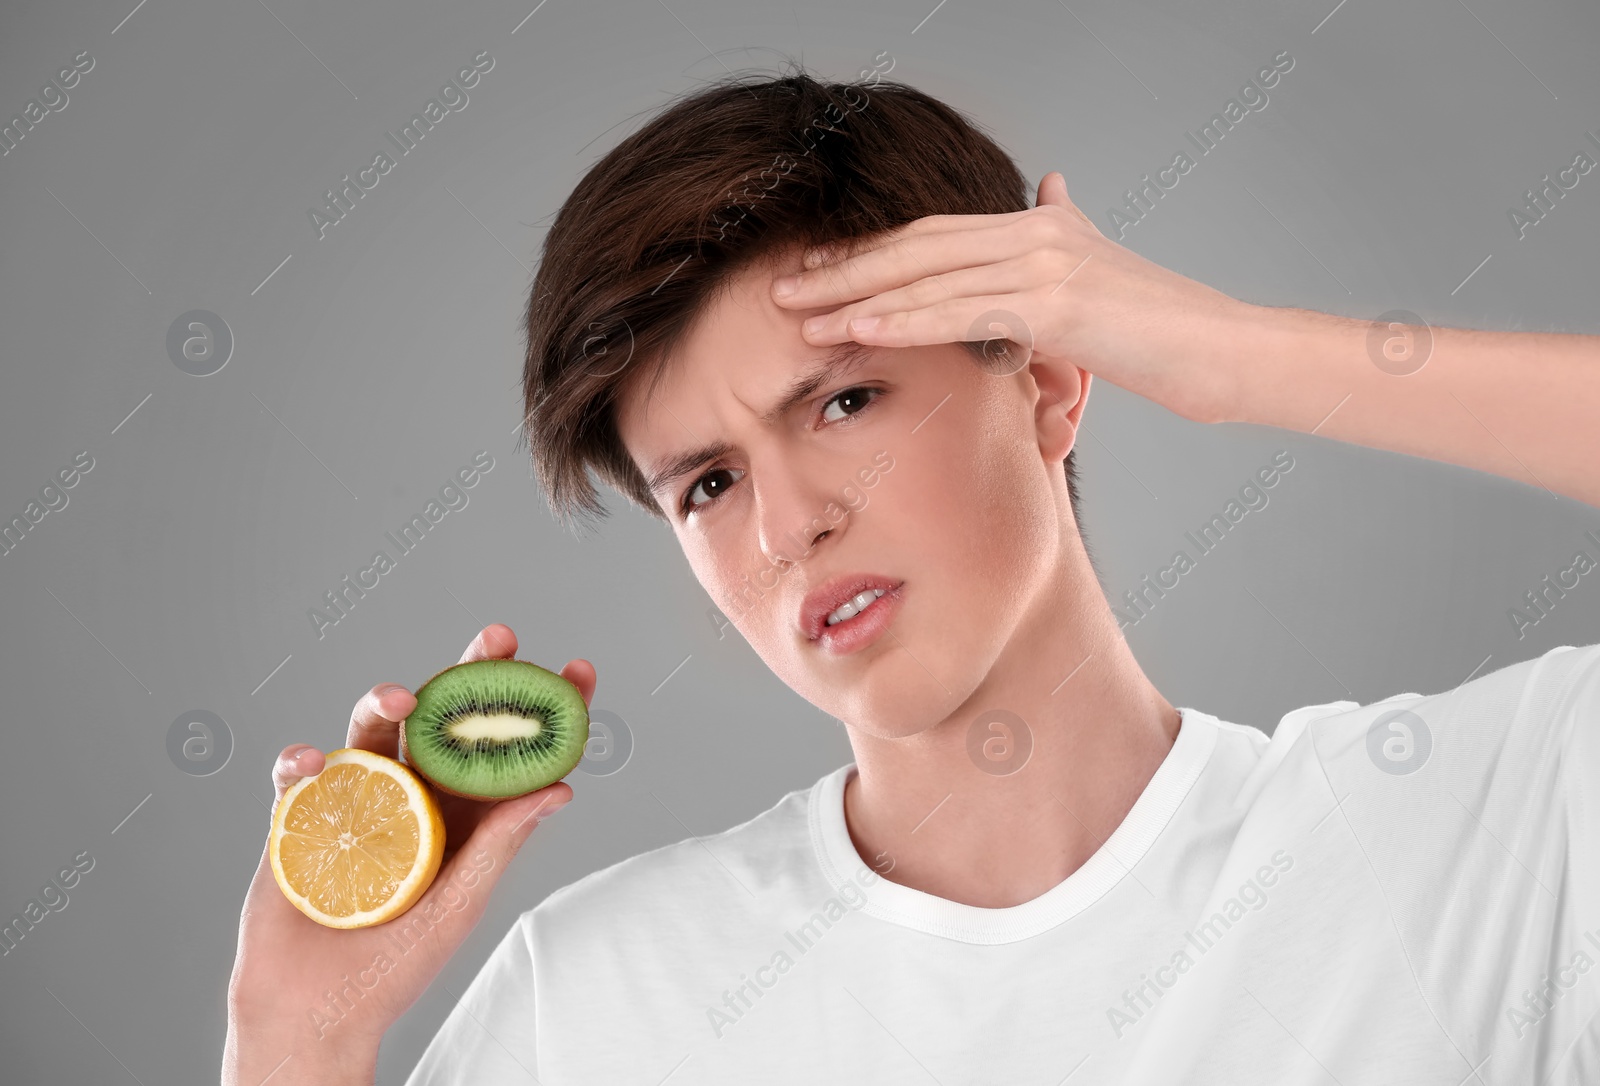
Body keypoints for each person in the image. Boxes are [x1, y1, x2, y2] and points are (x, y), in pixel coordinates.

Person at [223, 64, 1600, 1084]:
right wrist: (297, 1038)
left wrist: (1232, 356)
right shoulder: (595, 1000)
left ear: (1053, 381)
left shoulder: (1474, 832)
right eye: (708, 482)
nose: (787, 526)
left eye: (843, 402)